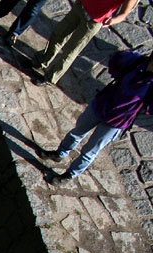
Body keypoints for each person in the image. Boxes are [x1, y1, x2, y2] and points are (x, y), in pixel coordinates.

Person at [39, 49, 153, 185]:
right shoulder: (135, 62)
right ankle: (60, 153)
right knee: (77, 132)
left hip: (116, 122)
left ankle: (69, 175)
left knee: (90, 150)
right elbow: (116, 59)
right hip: (101, 105)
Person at [28, 0, 138, 86]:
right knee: (57, 34)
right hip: (80, 6)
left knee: (71, 50)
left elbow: (124, 14)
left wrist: (112, 21)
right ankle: (42, 60)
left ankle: (50, 77)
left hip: (93, 21)